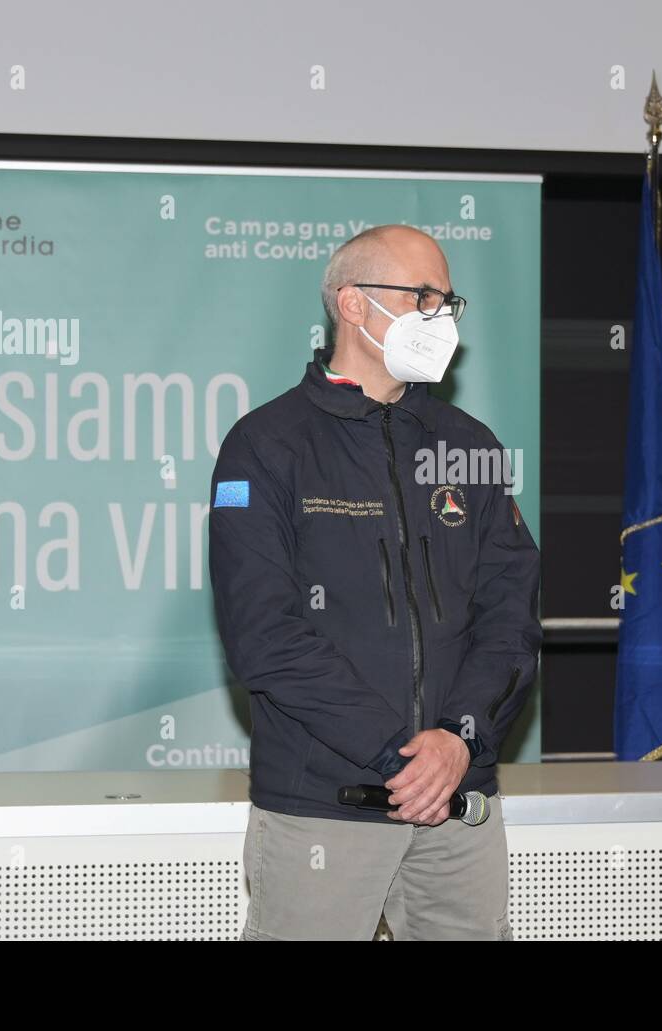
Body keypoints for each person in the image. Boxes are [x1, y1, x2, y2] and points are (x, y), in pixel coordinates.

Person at [209, 224, 541, 940]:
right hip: (323, 807)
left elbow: (510, 616)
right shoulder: (266, 446)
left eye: (449, 301)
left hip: (459, 800)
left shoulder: (469, 445)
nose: (441, 317)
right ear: (353, 305)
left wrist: (457, 739)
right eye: (422, 296)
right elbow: (265, 635)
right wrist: (399, 756)